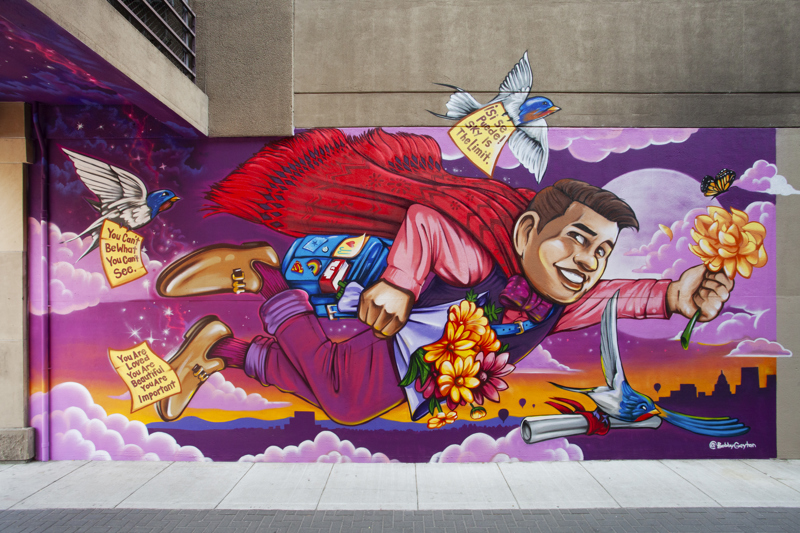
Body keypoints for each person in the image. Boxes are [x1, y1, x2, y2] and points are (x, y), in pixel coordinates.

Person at [153, 130, 734, 425]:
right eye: (578, 239)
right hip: (388, 327)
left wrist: (678, 296)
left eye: (602, 252)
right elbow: (429, 222)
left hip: (417, 376)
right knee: (339, 393)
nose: (588, 262)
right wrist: (402, 283)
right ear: (529, 231)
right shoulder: (482, 261)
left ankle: (220, 347)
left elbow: (626, 298)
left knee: (330, 388)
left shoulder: (564, 304)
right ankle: (263, 278)